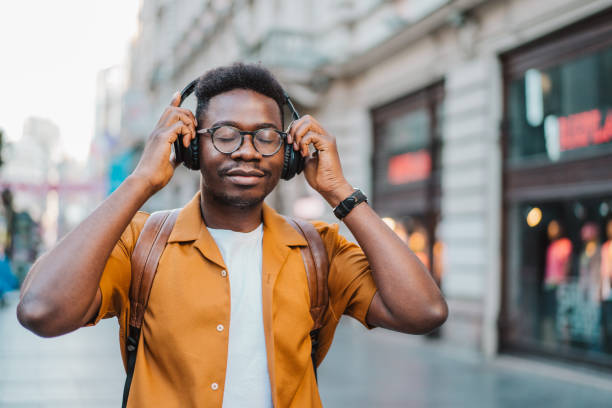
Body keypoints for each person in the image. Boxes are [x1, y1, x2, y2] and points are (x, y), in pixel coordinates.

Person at [16, 63, 447, 407]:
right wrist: (141, 181)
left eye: (266, 137)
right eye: (224, 136)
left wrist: (340, 192)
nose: (246, 150)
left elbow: (423, 311)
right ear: (190, 146)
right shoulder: (139, 241)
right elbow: (42, 311)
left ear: (290, 152)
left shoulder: (320, 249)